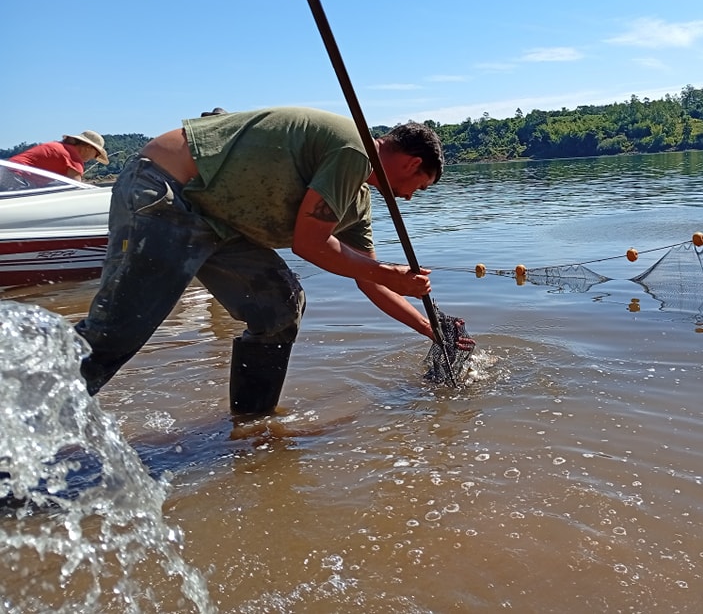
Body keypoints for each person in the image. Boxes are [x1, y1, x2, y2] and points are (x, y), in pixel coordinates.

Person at [74, 106, 446, 416]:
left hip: (217, 221)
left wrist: (431, 327)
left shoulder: (356, 199)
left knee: (279, 307)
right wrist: (388, 273)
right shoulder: (355, 150)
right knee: (120, 330)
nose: (410, 197)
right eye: (420, 186)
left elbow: (369, 279)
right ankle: (40, 411)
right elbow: (310, 244)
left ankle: (252, 425)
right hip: (167, 189)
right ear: (413, 164)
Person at [8, 130, 109, 180]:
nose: (94, 158)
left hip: (7, 170)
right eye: (96, 154)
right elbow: (75, 188)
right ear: (88, 147)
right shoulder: (73, 157)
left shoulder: (58, 146)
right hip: (18, 177)